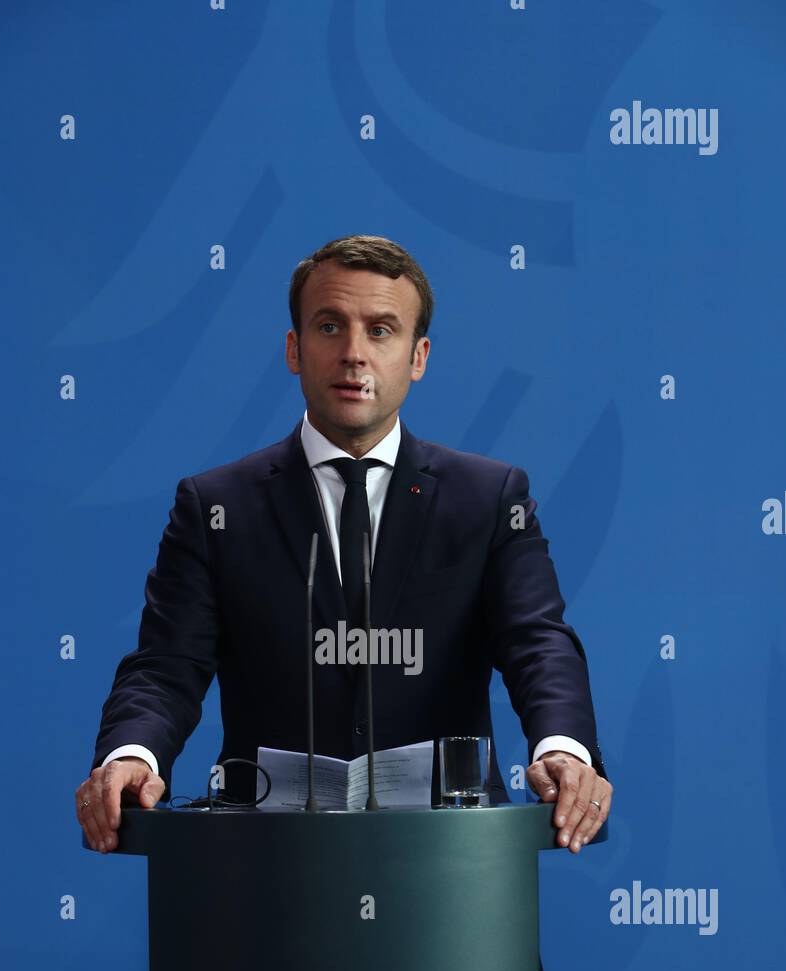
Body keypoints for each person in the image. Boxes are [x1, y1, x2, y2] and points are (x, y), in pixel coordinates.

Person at [76, 234, 612, 862]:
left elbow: (537, 640)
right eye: (330, 326)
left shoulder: (488, 498)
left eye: (382, 331)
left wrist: (562, 749)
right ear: (293, 349)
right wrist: (131, 754)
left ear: (419, 356)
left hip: (451, 869)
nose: (354, 354)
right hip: (267, 870)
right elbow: (166, 667)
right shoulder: (215, 506)